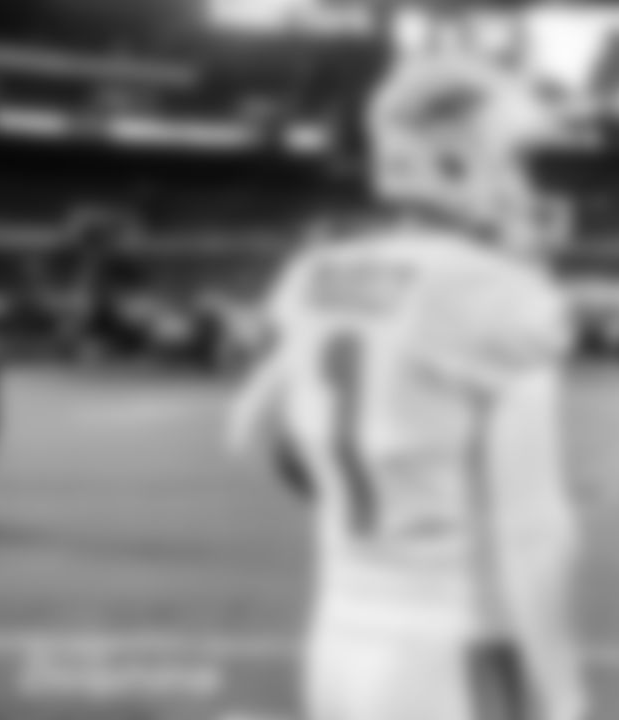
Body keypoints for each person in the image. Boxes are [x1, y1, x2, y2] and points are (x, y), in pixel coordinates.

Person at [226, 47, 585, 720]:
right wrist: (565, 696)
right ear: (454, 164)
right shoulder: (502, 297)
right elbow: (532, 531)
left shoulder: (315, 275)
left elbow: (247, 432)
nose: (521, 181)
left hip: (338, 638)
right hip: (452, 650)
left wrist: (366, 484)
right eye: (512, 159)